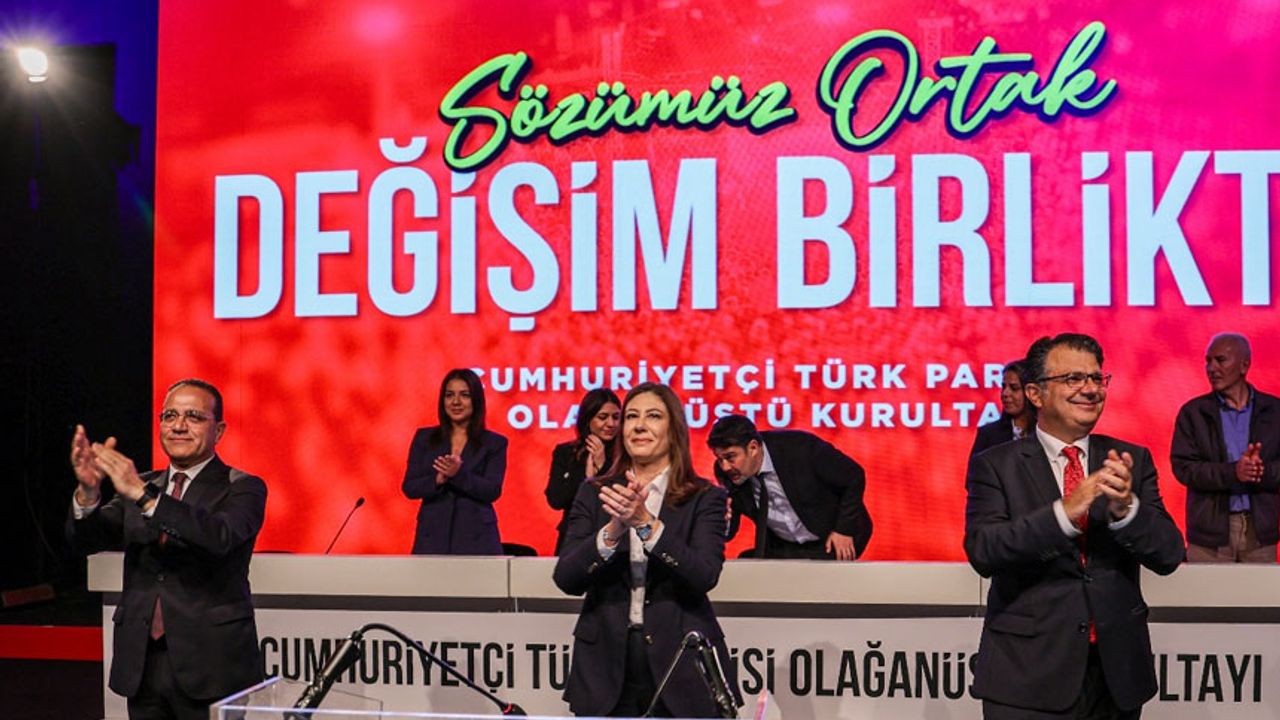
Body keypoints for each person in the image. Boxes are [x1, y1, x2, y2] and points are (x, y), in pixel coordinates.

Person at [965, 333, 1184, 719]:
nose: (1091, 389)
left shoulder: (1129, 460)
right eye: (1073, 379)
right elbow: (985, 550)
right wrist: (1063, 514)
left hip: (1115, 678)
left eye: (1097, 378)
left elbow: (1169, 554)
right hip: (1027, 676)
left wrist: (1126, 510)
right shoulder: (995, 465)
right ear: (1036, 394)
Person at [67, 379, 267, 720]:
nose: (178, 425)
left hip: (211, 665)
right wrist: (87, 494)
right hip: (142, 663)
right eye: (170, 416)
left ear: (218, 431)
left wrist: (145, 497)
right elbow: (87, 540)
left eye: (194, 417)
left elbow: (219, 536)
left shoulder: (242, 487)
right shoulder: (141, 484)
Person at [553, 383, 739, 717]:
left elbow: (704, 574)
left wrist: (645, 524)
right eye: (631, 417)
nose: (639, 426)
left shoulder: (705, 496)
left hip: (680, 664)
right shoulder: (595, 493)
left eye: (653, 416)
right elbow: (566, 577)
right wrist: (612, 532)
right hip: (605, 666)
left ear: (674, 429)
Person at [1171, 332, 1279, 562]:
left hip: (1260, 534)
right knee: (1205, 587)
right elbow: (1184, 468)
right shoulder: (1194, 413)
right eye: (1208, 361)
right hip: (1209, 538)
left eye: (1220, 360)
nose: (1211, 368)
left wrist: (1261, 471)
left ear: (1244, 365)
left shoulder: (1274, 411)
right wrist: (1233, 473)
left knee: (1259, 588)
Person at [707, 414, 872, 560]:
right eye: (719, 459)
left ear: (753, 448)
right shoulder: (727, 474)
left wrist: (844, 530)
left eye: (730, 457)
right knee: (746, 565)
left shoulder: (801, 448)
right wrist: (721, 520)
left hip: (831, 539)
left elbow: (854, 476)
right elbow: (728, 530)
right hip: (783, 547)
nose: (725, 467)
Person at [402, 368, 507, 555]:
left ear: (476, 400)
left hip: (477, 538)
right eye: (449, 395)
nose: (456, 402)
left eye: (465, 395)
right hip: (432, 537)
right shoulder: (425, 438)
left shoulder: (494, 443)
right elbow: (410, 487)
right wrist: (437, 479)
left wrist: (458, 475)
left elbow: (492, 491)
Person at [545, 388, 623, 555]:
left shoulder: (627, 455)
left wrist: (603, 467)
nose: (611, 423)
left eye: (616, 417)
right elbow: (556, 500)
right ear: (588, 419)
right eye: (603, 417)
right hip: (573, 534)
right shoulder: (566, 453)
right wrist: (586, 477)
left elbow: (620, 498)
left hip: (616, 535)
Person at [969, 359, 1035, 458]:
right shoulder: (988, 434)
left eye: (1014, 388)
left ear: (1032, 392)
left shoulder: (1046, 432)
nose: (1005, 393)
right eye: (1004, 387)